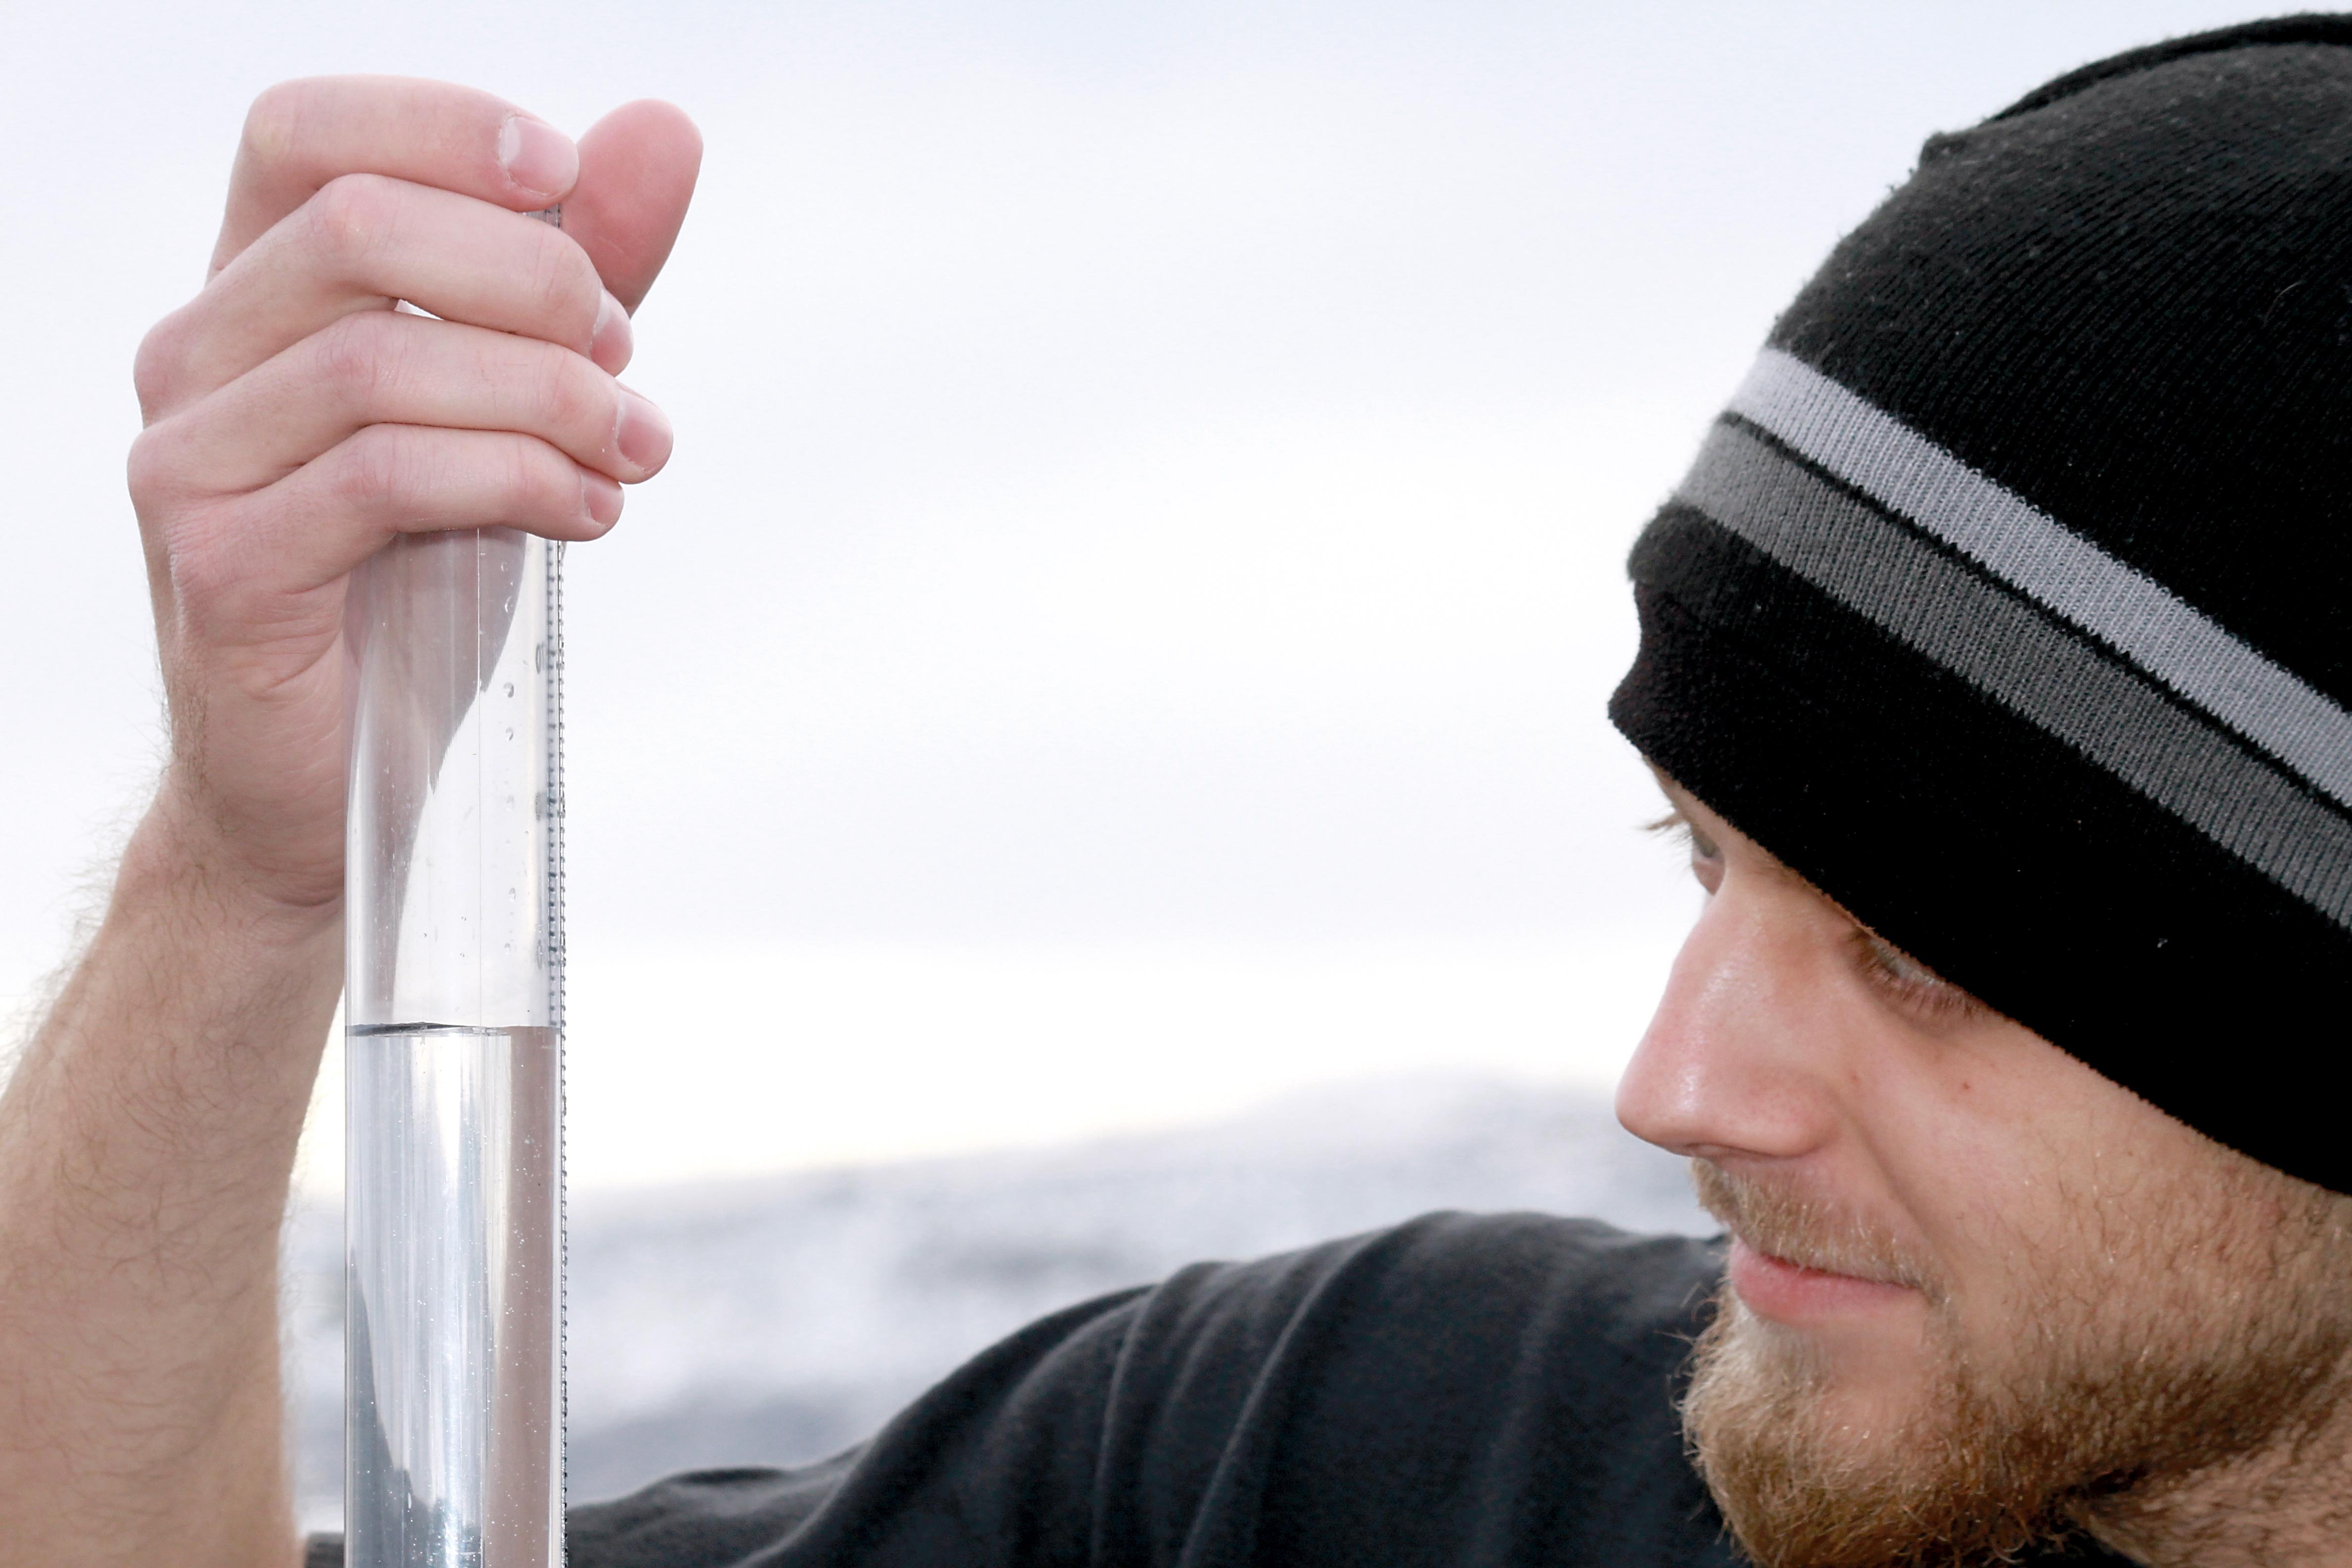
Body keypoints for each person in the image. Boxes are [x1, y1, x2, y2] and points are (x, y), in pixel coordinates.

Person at [5, 13, 2352, 1567]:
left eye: (1920, 959)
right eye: (1704, 855)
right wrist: (249, 872)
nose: (1674, 1082)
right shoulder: (1387, 1474)